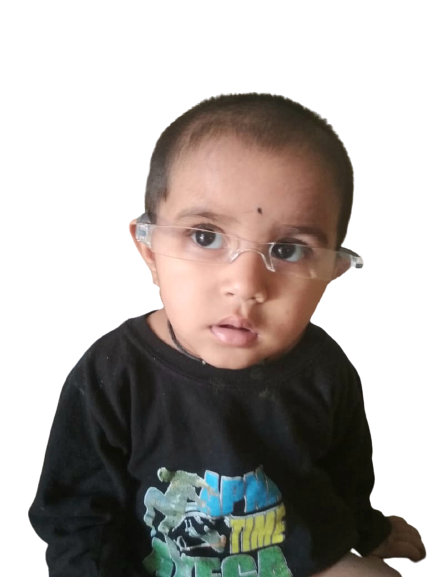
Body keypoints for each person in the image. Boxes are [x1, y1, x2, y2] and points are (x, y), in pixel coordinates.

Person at [28, 93, 426, 576]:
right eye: (205, 236)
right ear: (149, 249)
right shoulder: (113, 375)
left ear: (331, 271)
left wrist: (366, 529)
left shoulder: (325, 369)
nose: (245, 285)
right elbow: (75, 516)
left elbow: (345, 477)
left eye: (288, 249)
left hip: (294, 560)